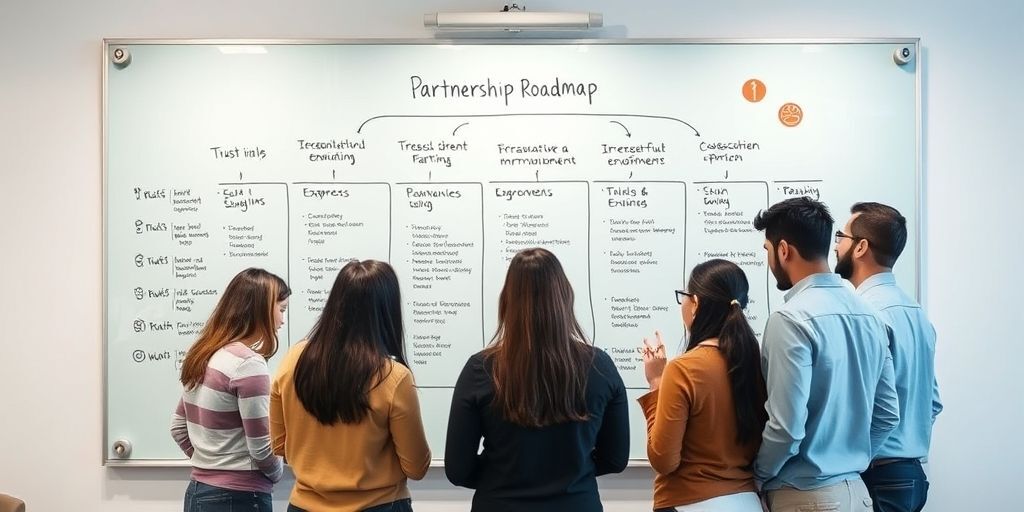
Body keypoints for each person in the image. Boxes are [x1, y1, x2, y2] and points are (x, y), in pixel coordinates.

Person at [445, 247, 630, 512]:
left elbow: (458, 470)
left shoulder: (480, 369)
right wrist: (574, 471)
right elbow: (615, 459)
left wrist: (499, 475)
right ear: (565, 296)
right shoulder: (599, 366)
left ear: (506, 301)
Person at [752, 197, 899, 512]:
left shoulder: (790, 319)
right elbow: (887, 414)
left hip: (804, 497)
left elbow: (786, 428)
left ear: (783, 250)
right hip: (858, 495)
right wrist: (849, 460)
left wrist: (759, 475)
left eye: (767, 250)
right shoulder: (872, 316)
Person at [271, 259, 430, 512]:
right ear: (388, 310)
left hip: (304, 505)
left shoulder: (293, 360)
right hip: (379, 506)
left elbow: (279, 445)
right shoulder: (394, 377)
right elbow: (416, 467)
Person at [835, 202, 941, 512]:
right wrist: (906, 443)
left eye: (841, 236)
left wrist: (855, 459)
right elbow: (933, 403)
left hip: (878, 476)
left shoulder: (866, 313)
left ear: (861, 247)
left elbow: (876, 409)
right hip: (910, 476)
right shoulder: (917, 313)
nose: (836, 245)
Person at [639, 259, 767, 512]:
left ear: (695, 303)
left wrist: (656, 382)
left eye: (684, 297)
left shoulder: (683, 369)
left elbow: (663, 460)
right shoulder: (755, 364)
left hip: (690, 502)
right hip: (748, 501)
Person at [171, 267, 290, 512]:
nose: (283, 320)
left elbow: (178, 428)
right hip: (239, 498)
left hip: (197, 493)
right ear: (262, 309)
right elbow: (261, 448)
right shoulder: (248, 364)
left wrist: (211, 466)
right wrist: (278, 473)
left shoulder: (204, 355)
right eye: (281, 309)